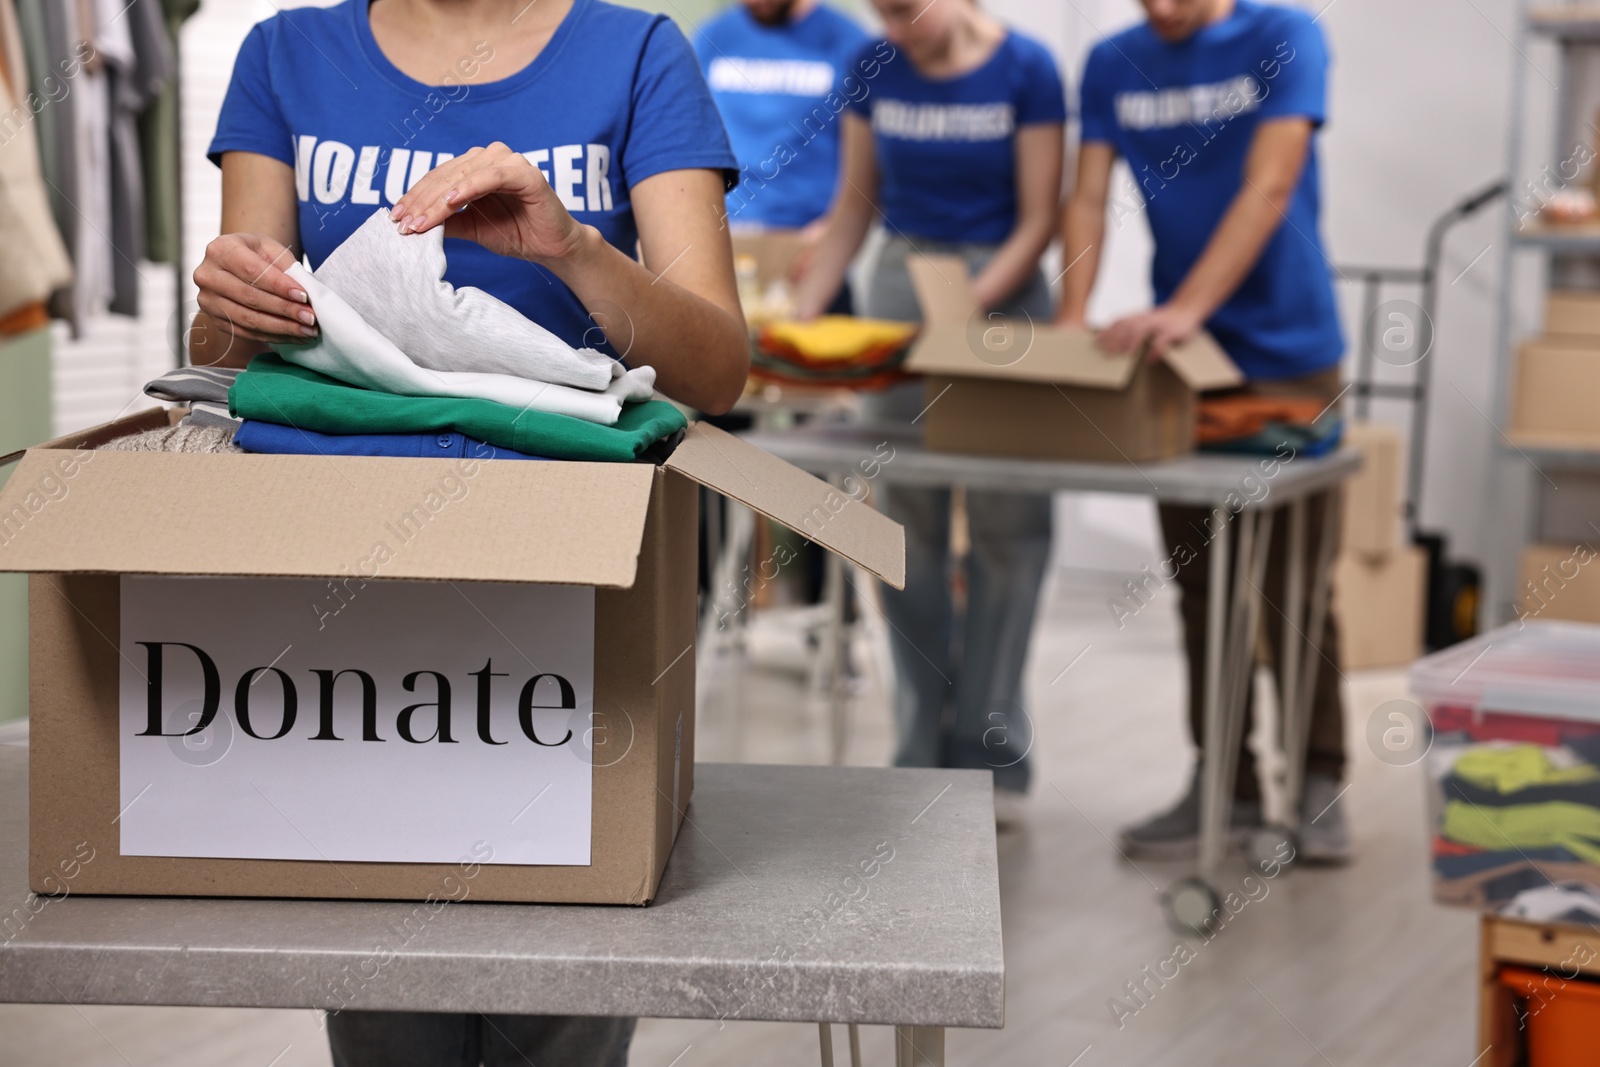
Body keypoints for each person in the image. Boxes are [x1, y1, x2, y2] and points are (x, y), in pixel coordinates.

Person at [193, 0, 748, 1062]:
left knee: (564, 997)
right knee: (384, 998)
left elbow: (715, 369)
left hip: (577, 594)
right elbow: (228, 355)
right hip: (360, 604)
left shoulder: (635, 52)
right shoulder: (286, 54)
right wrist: (228, 299)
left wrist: (574, 247)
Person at [1058, 0, 1349, 862]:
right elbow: (1085, 198)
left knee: (1294, 588)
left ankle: (1322, 780)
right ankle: (1224, 782)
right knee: (1203, 584)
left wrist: (1186, 306)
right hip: (1184, 363)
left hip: (1290, 352)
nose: (1162, 9)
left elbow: (1270, 182)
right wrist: (1074, 320)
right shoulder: (1113, 60)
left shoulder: (1285, 37)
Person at [793, 0, 1065, 823]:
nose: (900, 28)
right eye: (885, 13)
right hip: (899, 289)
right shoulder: (873, 67)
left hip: (1004, 303)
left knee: (1008, 531)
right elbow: (854, 206)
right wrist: (799, 321)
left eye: (910, 12)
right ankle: (919, 747)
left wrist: (965, 313)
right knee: (901, 534)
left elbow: (1040, 218)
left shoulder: (1029, 69)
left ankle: (992, 755)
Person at [694, 0, 866, 237]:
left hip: (808, 237)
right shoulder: (713, 36)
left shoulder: (848, 42)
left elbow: (873, 163)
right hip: (724, 229)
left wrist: (831, 232)